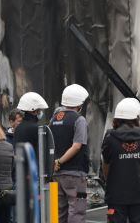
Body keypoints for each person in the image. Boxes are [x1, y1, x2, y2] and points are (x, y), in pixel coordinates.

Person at [102, 98, 140, 223]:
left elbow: (106, 165)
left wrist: (110, 183)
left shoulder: (110, 137)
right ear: (137, 117)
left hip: (116, 195)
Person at [51, 83, 90, 223]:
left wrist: (55, 162)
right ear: (79, 103)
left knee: (58, 212)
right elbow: (77, 146)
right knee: (76, 211)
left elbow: (49, 142)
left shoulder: (54, 118)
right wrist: (60, 161)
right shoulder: (79, 120)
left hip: (56, 173)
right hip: (75, 173)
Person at [12, 92, 48, 160]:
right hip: (32, 168)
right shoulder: (36, 128)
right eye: (39, 110)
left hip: (19, 168)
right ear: (33, 111)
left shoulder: (18, 128)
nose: (40, 113)